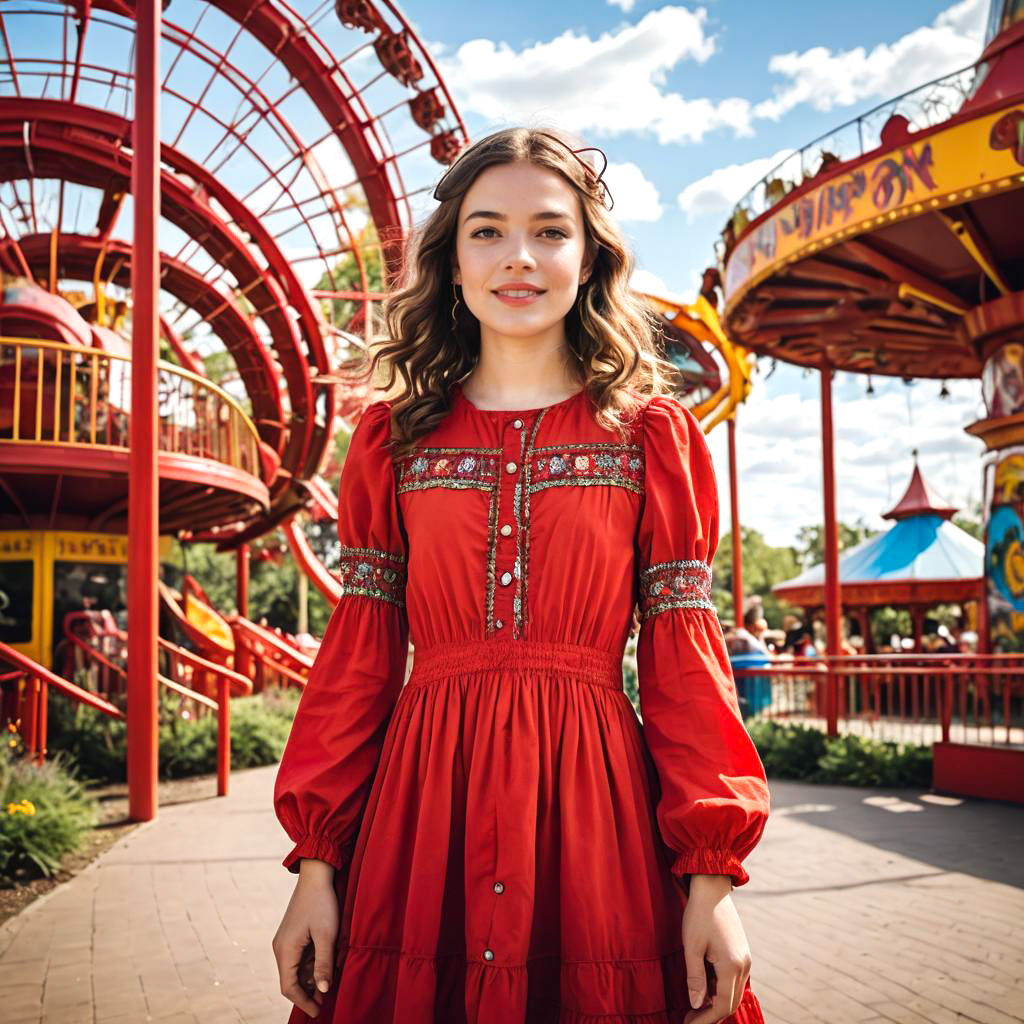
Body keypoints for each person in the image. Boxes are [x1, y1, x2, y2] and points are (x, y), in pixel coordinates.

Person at [271, 126, 771, 1024]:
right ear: (452, 261)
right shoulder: (392, 442)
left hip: (597, 816)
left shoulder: (652, 437)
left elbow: (686, 668)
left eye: (549, 231)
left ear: (589, 259)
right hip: (421, 822)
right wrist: (316, 867)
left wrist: (711, 880)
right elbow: (358, 665)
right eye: (487, 231)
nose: (519, 258)